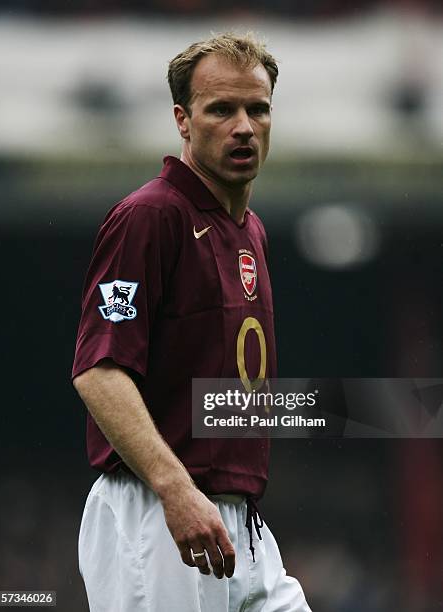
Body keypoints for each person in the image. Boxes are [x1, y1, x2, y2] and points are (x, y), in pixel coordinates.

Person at [72, 32, 312, 612]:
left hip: (239, 524)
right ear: (183, 120)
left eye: (258, 109)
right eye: (221, 109)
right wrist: (176, 491)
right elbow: (99, 371)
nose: (244, 127)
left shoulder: (251, 231)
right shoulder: (149, 217)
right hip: (156, 515)